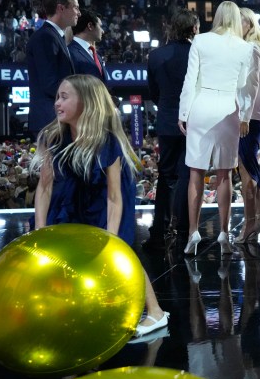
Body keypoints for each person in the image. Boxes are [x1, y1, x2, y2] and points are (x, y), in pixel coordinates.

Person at [31, 74, 169, 337]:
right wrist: (40, 228)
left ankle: (156, 312)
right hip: (71, 197)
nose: (56, 103)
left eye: (64, 97)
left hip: (106, 200)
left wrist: (112, 238)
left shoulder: (107, 141)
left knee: (121, 252)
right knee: (66, 254)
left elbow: (114, 196)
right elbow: (45, 187)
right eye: (57, 97)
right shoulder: (53, 137)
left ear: (85, 102)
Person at [179, 1, 256, 256]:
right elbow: (245, 87)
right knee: (225, 174)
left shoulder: (200, 41)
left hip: (201, 106)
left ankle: (193, 232)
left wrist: (184, 113)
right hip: (227, 108)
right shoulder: (246, 48)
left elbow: (191, 80)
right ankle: (223, 232)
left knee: (195, 173)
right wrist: (245, 116)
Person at [145, 9, 199, 250]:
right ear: (194, 28)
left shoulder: (156, 56)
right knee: (189, 174)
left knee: (166, 176)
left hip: (167, 120)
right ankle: (186, 229)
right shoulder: (198, 54)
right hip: (194, 121)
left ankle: (160, 230)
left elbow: (153, 92)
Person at [234, 8, 260, 244]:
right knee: (248, 169)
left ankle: (250, 224)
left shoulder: (251, 49)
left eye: (241, 21)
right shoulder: (252, 48)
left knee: (246, 173)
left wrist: (244, 116)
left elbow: (251, 87)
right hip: (250, 116)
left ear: (249, 24)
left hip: (249, 118)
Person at [26, 0, 78, 134]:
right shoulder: (46, 37)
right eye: (75, 7)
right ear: (61, 8)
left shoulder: (54, 36)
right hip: (51, 122)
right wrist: (81, 99)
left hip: (55, 120)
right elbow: (50, 84)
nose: (78, 13)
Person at [68, 8, 108, 83]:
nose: (103, 31)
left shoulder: (96, 56)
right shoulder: (69, 53)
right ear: (90, 26)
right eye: (100, 26)